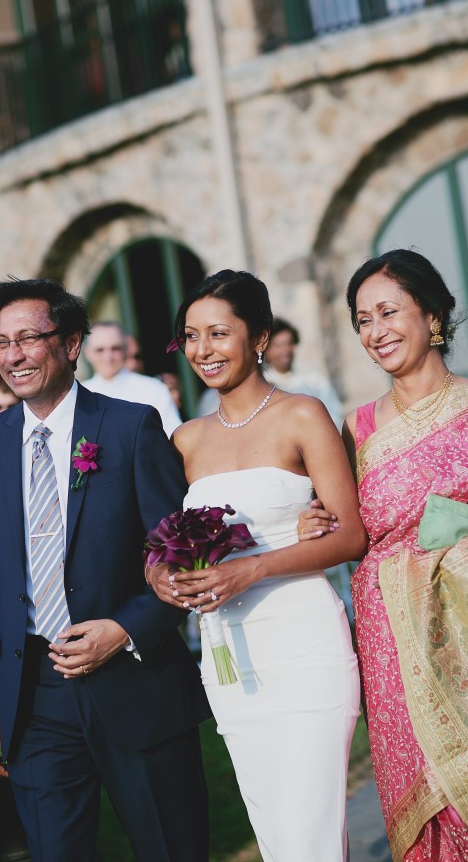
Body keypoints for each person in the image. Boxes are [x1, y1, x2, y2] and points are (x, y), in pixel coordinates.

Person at [0, 278, 210, 862]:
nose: (12, 355)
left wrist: (123, 630)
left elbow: (181, 556)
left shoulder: (131, 427)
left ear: (72, 344)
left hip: (136, 682)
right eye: (1, 342)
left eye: (28, 338)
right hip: (34, 697)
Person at [301, 249, 468, 861]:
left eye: (388, 312)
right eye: (362, 320)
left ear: (433, 317)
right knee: (425, 797)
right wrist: (314, 520)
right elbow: (344, 528)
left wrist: (464, 547)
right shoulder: (356, 432)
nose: (375, 332)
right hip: (392, 644)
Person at [147, 269, 366, 861]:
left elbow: (350, 534)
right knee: (276, 838)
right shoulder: (186, 440)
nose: (202, 350)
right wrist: (161, 576)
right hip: (227, 660)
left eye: (218, 333)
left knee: (308, 837)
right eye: (190, 336)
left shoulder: (303, 415)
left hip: (304, 648)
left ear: (260, 337)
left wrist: (251, 568)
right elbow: (160, 544)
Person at [82, 321, 181, 436]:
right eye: (100, 350)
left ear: (125, 350)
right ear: (88, 353)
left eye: (115, 348)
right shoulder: (80, 393)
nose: (108, 356)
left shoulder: (153, 388)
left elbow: (172, 434)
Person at [264, 317, 343, 428]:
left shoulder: (314, 381)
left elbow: (335, 414)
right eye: (278, 345)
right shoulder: (263, 385)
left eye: (289, 343)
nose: (285, 350)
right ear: (266, 350)